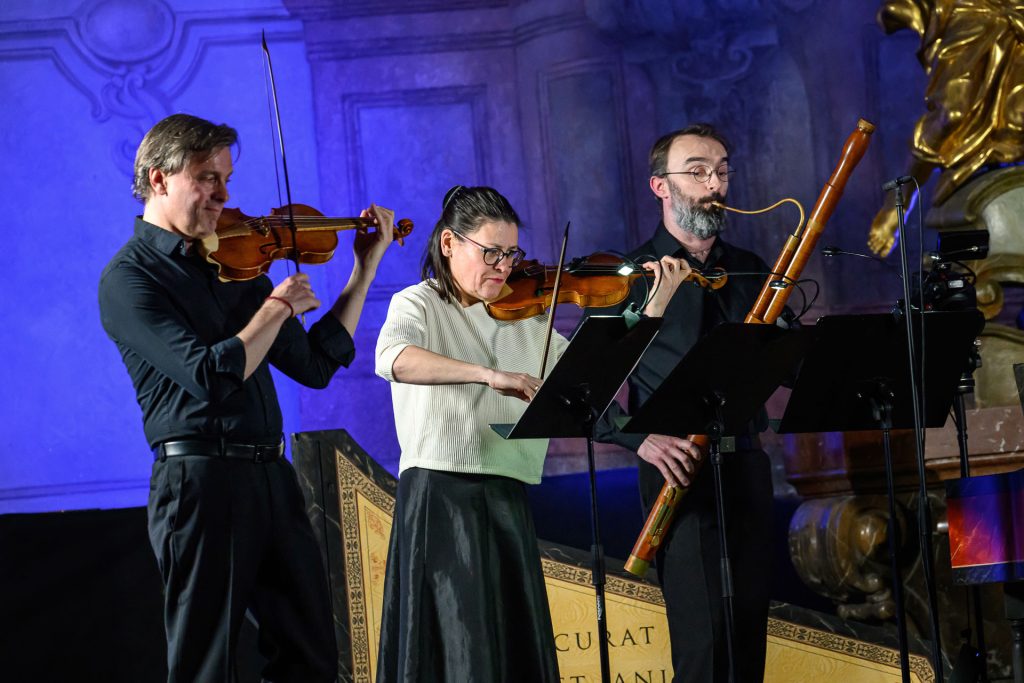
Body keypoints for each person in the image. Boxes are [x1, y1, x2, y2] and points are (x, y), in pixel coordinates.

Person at [98, 113, 395, 682]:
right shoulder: (131, 279)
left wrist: (364, 269)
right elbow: (210, 375)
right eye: (207, 178)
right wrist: (277, 306)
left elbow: (312, 366)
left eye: (227, 178)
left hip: (269, 477)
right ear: (159, 179)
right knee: (206, 665)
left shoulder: (235, 263)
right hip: (200, 485)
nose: (224, 195)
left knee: (311, 654)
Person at [373, 184, 691, 682]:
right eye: (491, 252)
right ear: (450, 244)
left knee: (512, 651)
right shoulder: (418, 303)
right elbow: (394, 358)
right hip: (441, 497)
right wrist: (490, 375)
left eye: (511, 253)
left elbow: (594, 382)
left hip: (507, 497)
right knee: (460, 650)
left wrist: (654, 307)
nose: (504, 266)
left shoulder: (528, 317)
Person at [591, 124, 777, 682]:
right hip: (677, 473)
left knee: (747, 647)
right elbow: (586, 389)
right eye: (696, 171)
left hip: (745, 466)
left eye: (721, 170)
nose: (713, 183)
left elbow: (781, 360)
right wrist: (641, 440)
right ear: (660, 186)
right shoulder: (627, 276)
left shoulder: (750, 268)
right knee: (701, 649)